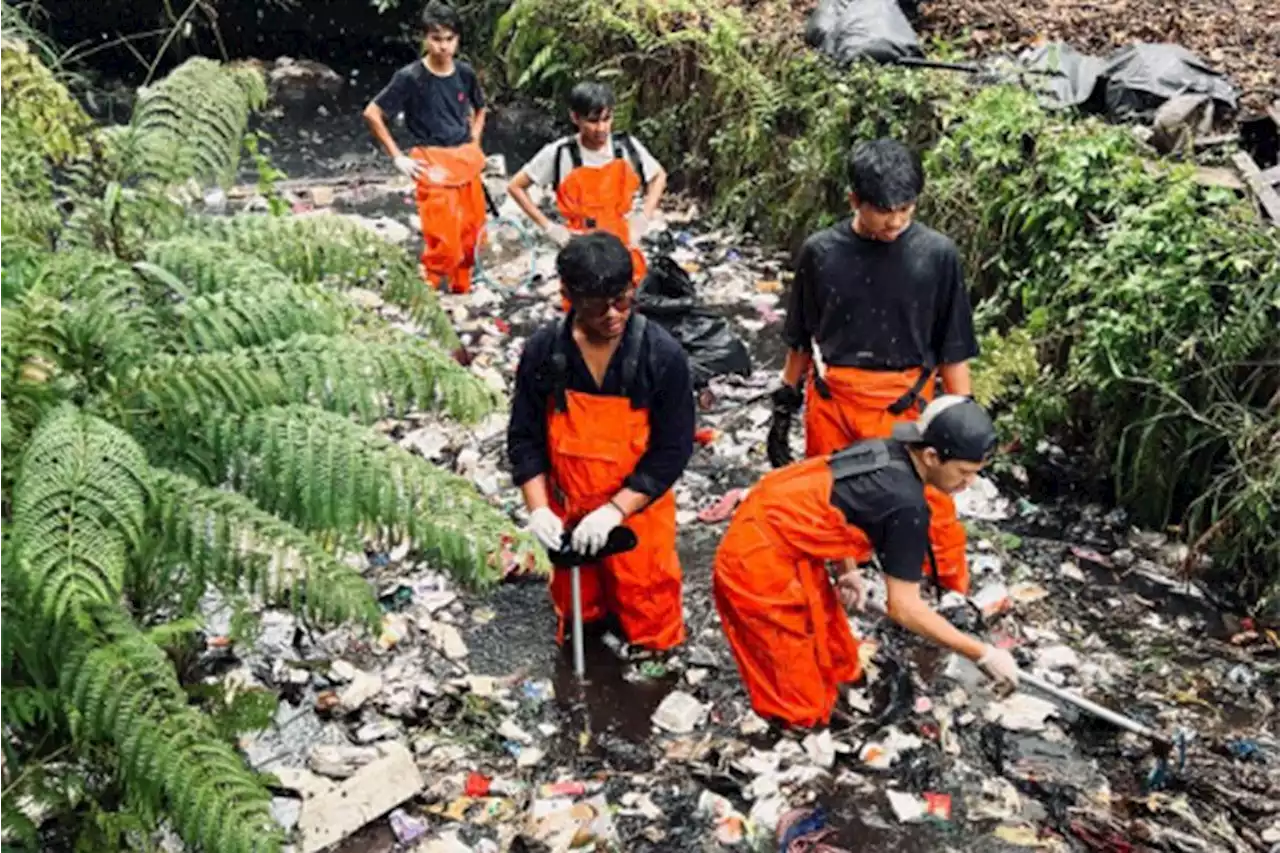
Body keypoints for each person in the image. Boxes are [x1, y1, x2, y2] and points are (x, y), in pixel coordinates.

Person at [716, 395, 1018, 729]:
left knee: (837, 654)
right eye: (963, 472)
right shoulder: (906, 506)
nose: (968, 483)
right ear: (931, 456)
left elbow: (841, 506)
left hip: (785, 536)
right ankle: (798, 735)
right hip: (757, 558)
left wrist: (848, 571)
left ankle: (840, 698)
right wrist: (982, 654)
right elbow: (904, 608)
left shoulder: (887, 450)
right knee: (797, 696)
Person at [768, 138, 979, 594]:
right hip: (834, 399)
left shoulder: (937, 255)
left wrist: (963, 416)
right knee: (835, 503)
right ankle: (849, 584)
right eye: (885, 211)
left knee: (931, 510)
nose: (897, 221)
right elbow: (801, 337)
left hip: (907, 405)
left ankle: (949, 597)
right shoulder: (821, 253)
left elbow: (953, 346)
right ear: (854, 201)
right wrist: (784, 400)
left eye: (907, 208)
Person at [507, 231, 694, 653]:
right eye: (596, 306)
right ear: (568, 295)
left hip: (637, 514)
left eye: (623, 300)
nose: (612, 315)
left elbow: (672, 449)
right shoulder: (545, 353)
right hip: (567, 510)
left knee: (651, 619)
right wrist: (538, 510)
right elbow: (524, 437)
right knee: (580, 619)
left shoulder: (661, 356)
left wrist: (614, 510)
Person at [364, 1, 488, 294]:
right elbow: (372, 113)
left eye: (449, 39)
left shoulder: (465, 73)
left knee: (471, 235)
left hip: (464, 158)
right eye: (436, 38)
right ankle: (428, 296)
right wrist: (397, 158)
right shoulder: (410, 77)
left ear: (457, 39)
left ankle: (462, 292)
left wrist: (475, 142)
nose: (443, 46)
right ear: (425, 38)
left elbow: (481, 108)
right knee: (443, 238)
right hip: (430, 160)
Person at [507, 81, 667, 288]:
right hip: (580, 246)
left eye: (606, 119)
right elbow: (516, 186)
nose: (601, 129)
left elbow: (658, 176)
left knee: (625, 305)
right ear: (575, 117)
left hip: (622, 243)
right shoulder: (559, 153)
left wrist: (644, 217)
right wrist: (550, 228)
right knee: (584, 308)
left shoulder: (626, 148)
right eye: (593, 121)